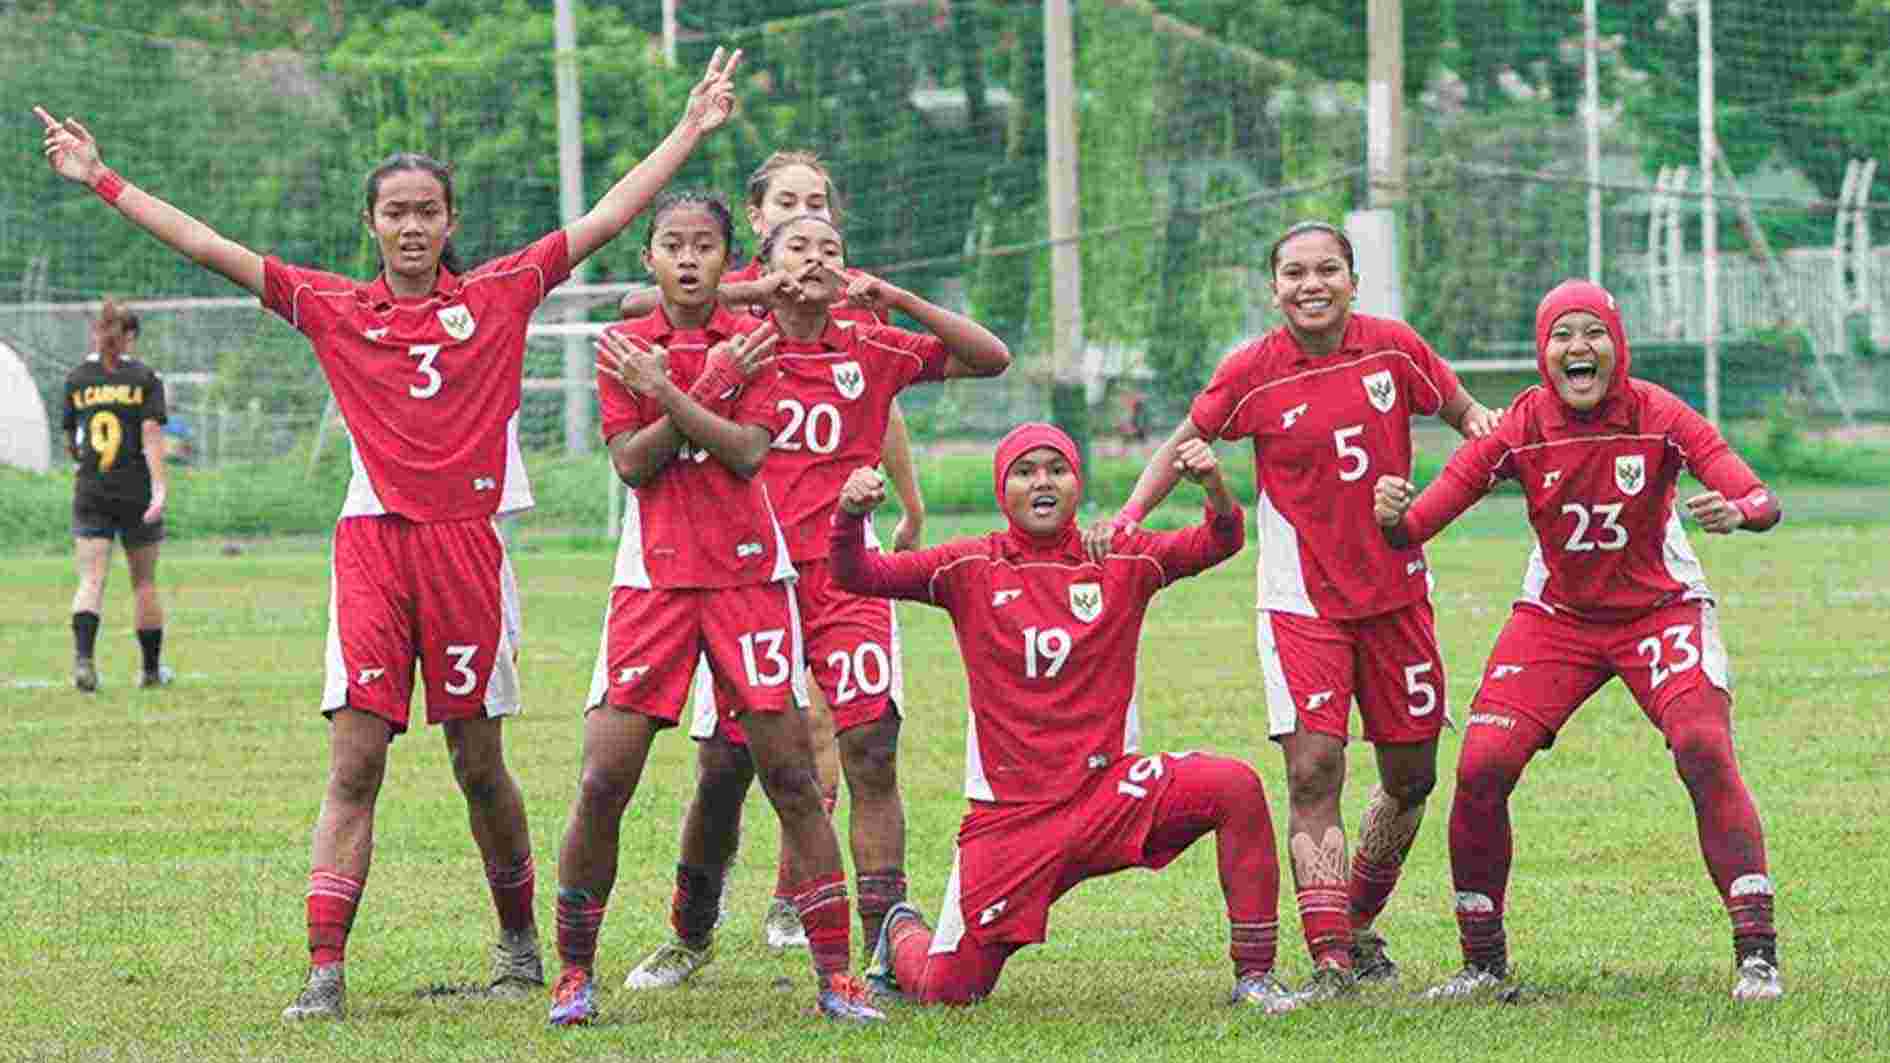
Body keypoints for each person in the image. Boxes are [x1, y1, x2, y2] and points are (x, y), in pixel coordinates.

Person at [34, 46, 745, 1023]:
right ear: (370, 224)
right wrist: (101, 179)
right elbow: (206, 243)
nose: (411, 225)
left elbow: (611, 215)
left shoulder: (499, 295)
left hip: (468, 548)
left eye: (427, 210)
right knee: (355, 760)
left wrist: (692, 127)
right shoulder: (332, 307)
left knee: (477, 763)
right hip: (373, 545)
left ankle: (519, 943)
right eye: (394, 210)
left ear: (450, 223)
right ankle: (324, 972)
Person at [1092, 220, 1502, 997]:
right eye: (1293, 274)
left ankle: (1354, 917)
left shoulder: (1394, 348)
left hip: (1398, 596)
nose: (1310, 285)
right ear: (1272, 286)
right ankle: (1330, 960)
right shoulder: (1251, 370)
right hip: (1300, 599)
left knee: (1411, 775)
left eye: (1326, 270)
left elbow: (1472, 421)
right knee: (1314, 768)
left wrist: (1440, 485)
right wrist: (1129, 517)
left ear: (1353, 280)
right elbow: (1183, 443)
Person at [620, 212, 1009, 992]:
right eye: (798, 246)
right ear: (764, 263)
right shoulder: (734, 335)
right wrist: (759, 289)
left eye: (832, 247)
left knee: (870, 748)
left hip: (847, 577)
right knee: (726, 762)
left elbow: (991, 358)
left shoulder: (870, 342)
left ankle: (883, 943)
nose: (817, 258)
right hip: (747, 576)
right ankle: (689, 932)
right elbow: (638, 303)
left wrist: (893, 293)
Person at [1372, 279, 1784, 1003]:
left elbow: (1758, 495)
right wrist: (1391, 512)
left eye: (1593, 332)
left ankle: (1757, 952)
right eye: (1562, 335)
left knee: (1702, 743)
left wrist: (1740, 511)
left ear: (1618, 345)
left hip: (1659, 607)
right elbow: (1419, 522)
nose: (1578, 348)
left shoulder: (1658, 413)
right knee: (1482, 764)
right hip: (1558, 615)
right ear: (1543, 352)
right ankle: (1482, 963)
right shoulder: (1521, 425)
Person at [825, 423, 1296, 1012]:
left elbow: (1220, 541)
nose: (1041, 482)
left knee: (1235, 786)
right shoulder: (967, 565)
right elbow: (854, 574)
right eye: (1025, 471)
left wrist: (1215, 487)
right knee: (947, 990)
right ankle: (901, 934)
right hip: (1012, 823)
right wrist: (848, 514)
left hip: (1107, 799)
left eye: (1057, 468)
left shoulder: (1122, 555)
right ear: (1004, 490)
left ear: (1077, 482)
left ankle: (1254, 976)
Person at [555, 191, 884, 1026]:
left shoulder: (758, 340)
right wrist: (697, 389)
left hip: (749, 580)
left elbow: (744, 453)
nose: (690, 257)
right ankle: (574, 973)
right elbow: (632, 465)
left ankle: (837, 976)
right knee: (603, 777)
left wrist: (680, 386)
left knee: (792, 777)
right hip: (654, 582)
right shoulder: (624, 344)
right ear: (651, 259)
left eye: (706, 245)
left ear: (726, 256)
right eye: (673, 244)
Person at [62, 298, 172, 692]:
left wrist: (84, 466)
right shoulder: (144, 378)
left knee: (91, 580)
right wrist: (159, 488)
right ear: (130, 337)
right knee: (143, 582)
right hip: (135, 491)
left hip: (92, 488)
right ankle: (150, 670)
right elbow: (151, 435)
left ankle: (84, 662)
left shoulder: (77, 378)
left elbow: (71, 442)